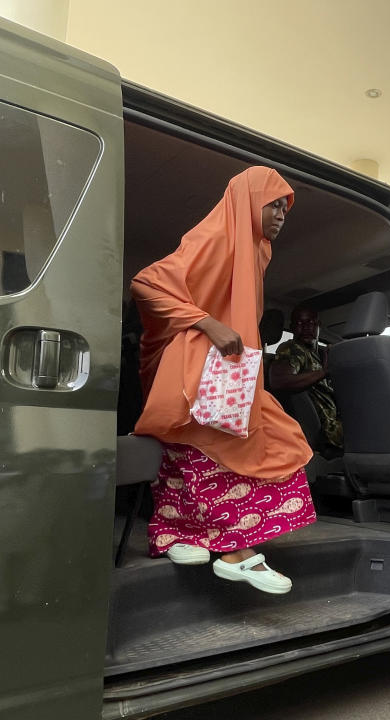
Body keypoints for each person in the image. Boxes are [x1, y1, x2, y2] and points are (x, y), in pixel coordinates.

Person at [131, 166, 315, 595]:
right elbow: (145, 284)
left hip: (223, 373)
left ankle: (178, 536)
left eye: (285, 208)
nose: (281, 214)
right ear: (248, 200)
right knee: (252, 445)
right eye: (273, 204)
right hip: (197, 367)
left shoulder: (255, 251)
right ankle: (237, 555)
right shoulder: (214, 238)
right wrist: (208, 324)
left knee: (200, 452)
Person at [269, 305, 343, 456]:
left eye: (311, 323)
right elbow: (278, 380)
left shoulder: (318, 354)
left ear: (318, 326)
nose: (306, 328)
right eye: (300, 323)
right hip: (329, 431)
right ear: (292, 328)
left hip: (336, 423)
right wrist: (323, 372)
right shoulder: (293, 349)